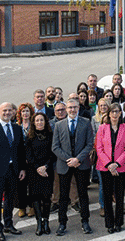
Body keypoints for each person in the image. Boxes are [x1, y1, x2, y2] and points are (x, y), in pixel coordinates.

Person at [52, 98, 94, 236]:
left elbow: (89, 144)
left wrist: (78, 159)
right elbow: (55, 147)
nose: (72, 110)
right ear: (66, 109)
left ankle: (85, 221)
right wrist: (69, 160)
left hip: (81, 164)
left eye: (75, 107)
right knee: (63, 196)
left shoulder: (86, 123)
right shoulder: (59, 125)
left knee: (83, 194)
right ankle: (62, 223)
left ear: (78, 108)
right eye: (69, 107)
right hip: (65, 165)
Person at [0, 102, 27, 241]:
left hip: (13, 170)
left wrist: (22, 168)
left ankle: (9, 224)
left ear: (14, 112)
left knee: (10, 200)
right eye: (4, 110)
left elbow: (20, 151)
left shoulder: (17, 128)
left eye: (9, 110)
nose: (7, 113)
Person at [95, 103, 125, 234]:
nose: (115, 114)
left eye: (117, 111)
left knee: (120, 196)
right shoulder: (102, 128)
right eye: (112, 112)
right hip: (105, 167)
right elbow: (99, 148)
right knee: (107, 196)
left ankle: (118, 222)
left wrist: (116, 163)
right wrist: (109, 164)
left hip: (121, 167)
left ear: (121, 113)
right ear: (108, 114)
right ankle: (109, 223)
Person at [26, 112, 57, 236]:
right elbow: (28, 155)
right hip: (34, 171)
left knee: (46, 197)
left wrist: (45, 166)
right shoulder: (29, 137)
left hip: (47, 171)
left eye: (42, 120)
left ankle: (46, 222)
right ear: (33, 122)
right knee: (36, 198)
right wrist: (38, 167)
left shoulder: (51, 135)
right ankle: (39, 222)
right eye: (37, 120)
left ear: (45, 122)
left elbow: (53, 153)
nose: (39, 122)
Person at [15, 103, 34, 218]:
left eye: (27, 111)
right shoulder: (16, 126)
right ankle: (22, 207)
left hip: (32, 159)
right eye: (23, 111)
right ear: (19, 114)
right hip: (20, 159)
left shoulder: (34, 126)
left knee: (32, 184)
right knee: (20, 185)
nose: (25, 113)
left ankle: (32, 206)